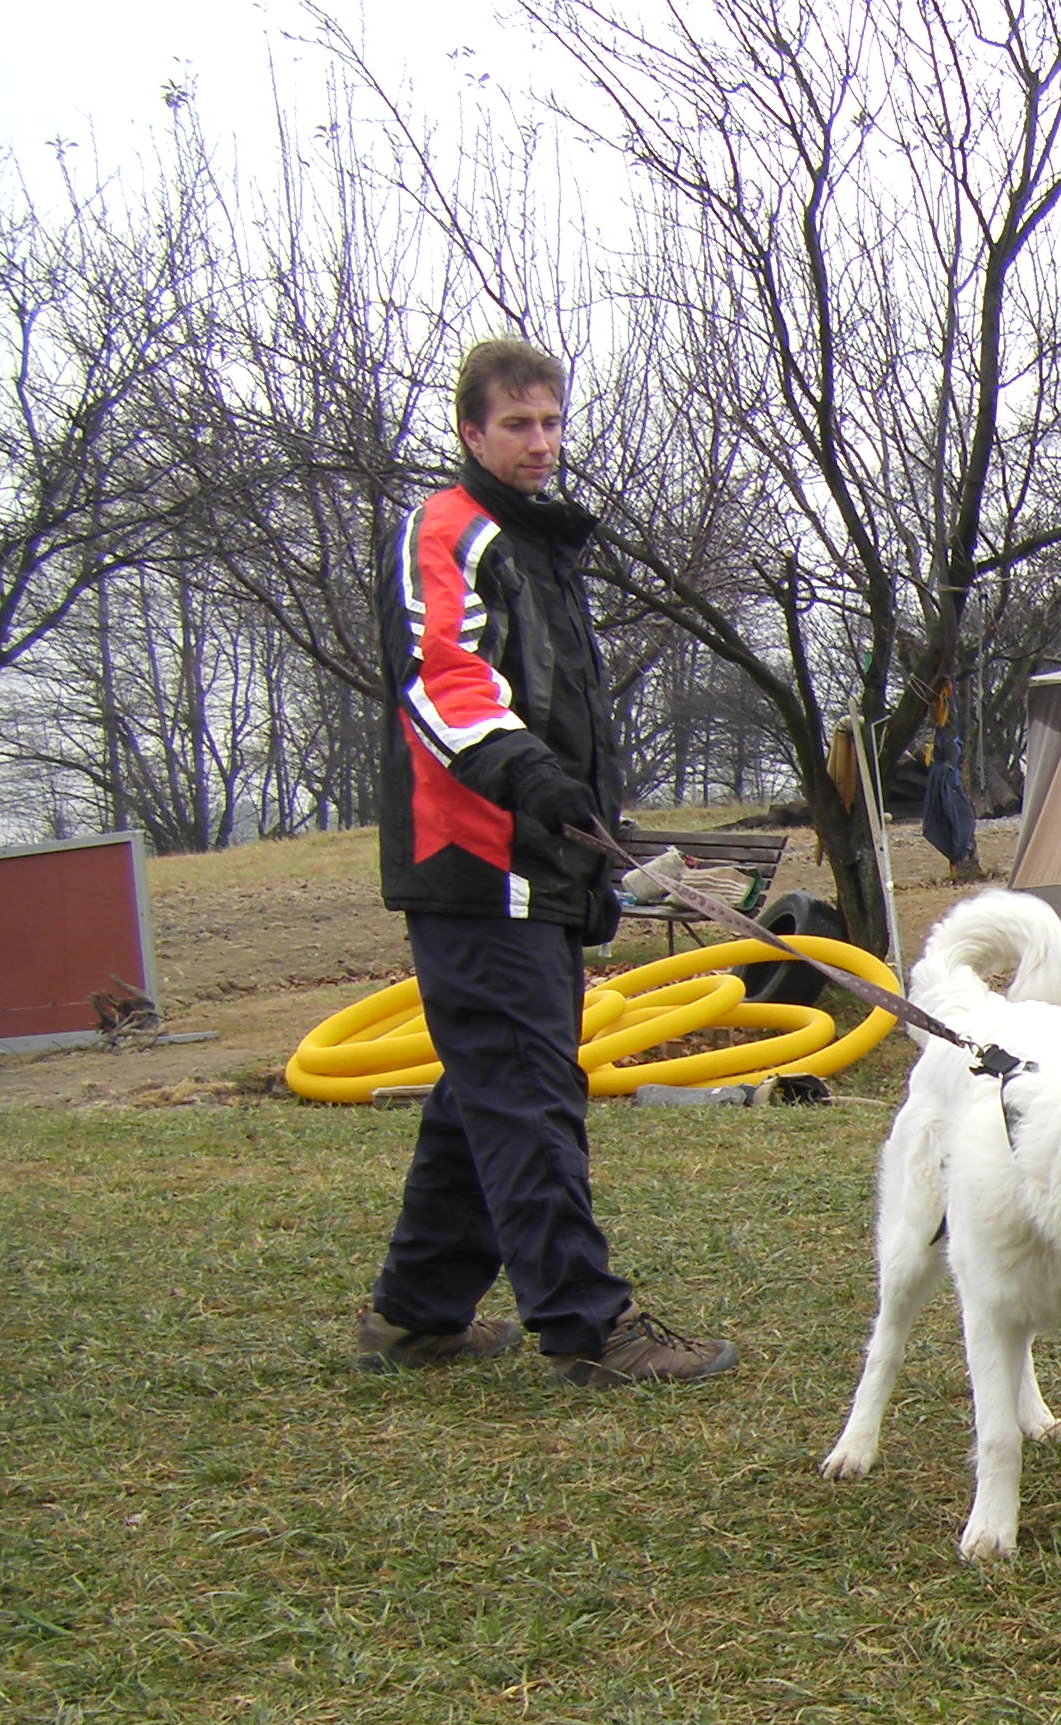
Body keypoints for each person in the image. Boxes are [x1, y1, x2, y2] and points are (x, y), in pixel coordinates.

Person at [357, 338, 739, 1388]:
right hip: (478, 865)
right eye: (518, 424)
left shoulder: (540, 548)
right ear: (471, 432)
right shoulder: (451, 529)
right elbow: (444, 681)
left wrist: (583, 836)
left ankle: (417, 1313)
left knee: (489, 1088)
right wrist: (529, 775)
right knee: (527, 1092)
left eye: (552, 422)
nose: (540, 443)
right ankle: (588, 1325)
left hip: (543, 865)